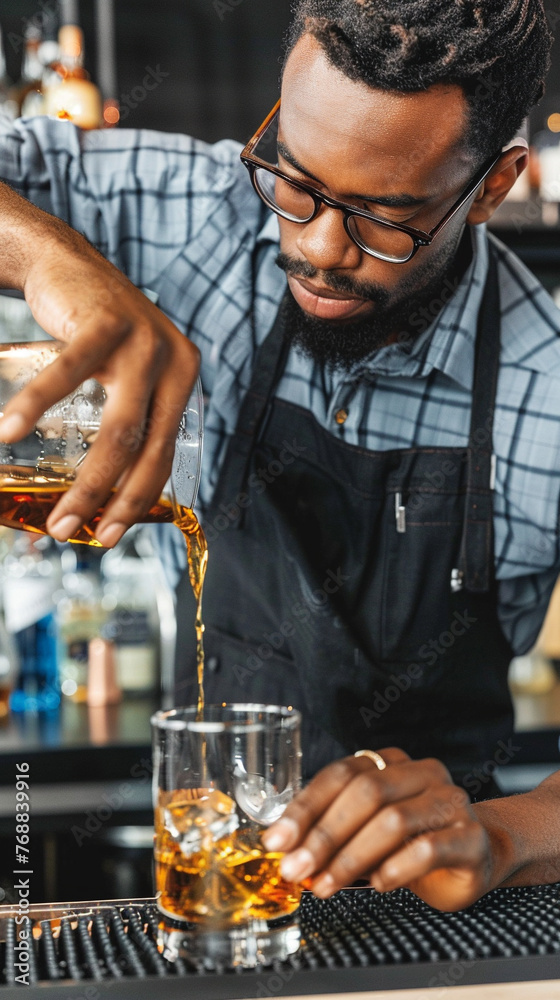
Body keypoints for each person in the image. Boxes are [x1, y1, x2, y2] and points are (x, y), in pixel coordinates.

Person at [0, 0, 558, 912]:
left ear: (493, 187)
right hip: (208, 885)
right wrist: (53, 263)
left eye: (386, 217)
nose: (317, 247)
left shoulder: (546, 386)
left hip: (433, 923)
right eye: (295, 181)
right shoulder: (199, 208)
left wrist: (503, 834)